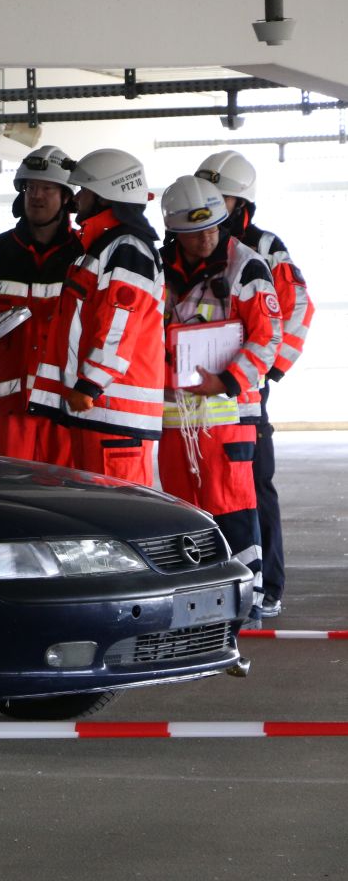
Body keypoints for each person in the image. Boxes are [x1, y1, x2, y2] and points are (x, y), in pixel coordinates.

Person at [156, 175, 281, 621]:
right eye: (194, 233)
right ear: (175, 232)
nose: (206, 239)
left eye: (212, 228)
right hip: (175, 418)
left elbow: (267, 339)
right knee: (183, 514)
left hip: (229, 415)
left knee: (233, 509)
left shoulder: (246, 267)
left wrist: (226, 380)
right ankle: (192, 605)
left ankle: (246, 603)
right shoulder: (158, 268)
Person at [195, 150, 313, 619]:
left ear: (240, 203)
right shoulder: (189, 243)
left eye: (219, 196)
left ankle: (269, 586)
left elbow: (297, 308)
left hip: (244, 386)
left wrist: (268, 373)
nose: (209, 204)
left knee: (255, 482)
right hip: (195, 390)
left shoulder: (263, 247)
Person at [28, 148, 164, 484]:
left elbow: (119, 323)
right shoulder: (104, 247)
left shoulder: (127, 249)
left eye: (84, 191)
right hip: (98, 413)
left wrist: (91, 383)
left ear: (105, 196)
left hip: (112, 416)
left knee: (118, 512)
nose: (77, 199)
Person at [0, 146, 85, 460]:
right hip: (10, 412)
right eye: (30, 188)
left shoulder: (86, 254)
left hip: (66, 408)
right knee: (8, 489)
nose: (36, 196)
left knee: (65, 487)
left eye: (47, 188)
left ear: (66, 197)